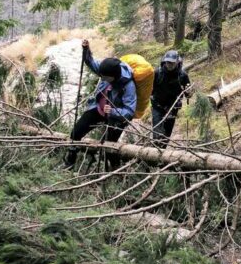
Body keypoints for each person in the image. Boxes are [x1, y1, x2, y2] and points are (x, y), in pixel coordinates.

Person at [66, 40, 137, 168]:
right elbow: (91, 63)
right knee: (76, 133)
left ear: (114, 76)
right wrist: (86, 50)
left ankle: (115, 171)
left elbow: (130, 111)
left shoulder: (128, 85)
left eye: (105, 78)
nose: (102, 79)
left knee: (110, 146)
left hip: (116, 118)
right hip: (98, 109)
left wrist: (114, 111)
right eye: (101, 76)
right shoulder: (106, 70)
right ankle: (70, 162)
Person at [151, 49, 191, 144]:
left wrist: (189, 92)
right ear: (164, 61)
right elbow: (150, 88)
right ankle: (154, 152)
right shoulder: (157, 73)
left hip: (172, 108)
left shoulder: (183, 75)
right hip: (157, 106)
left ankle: (162, 154)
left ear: (177, 62)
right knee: (157, 133)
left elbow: (187, 94)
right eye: (168, 62)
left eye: (172, 63)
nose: (169, 64)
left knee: (166, 134)